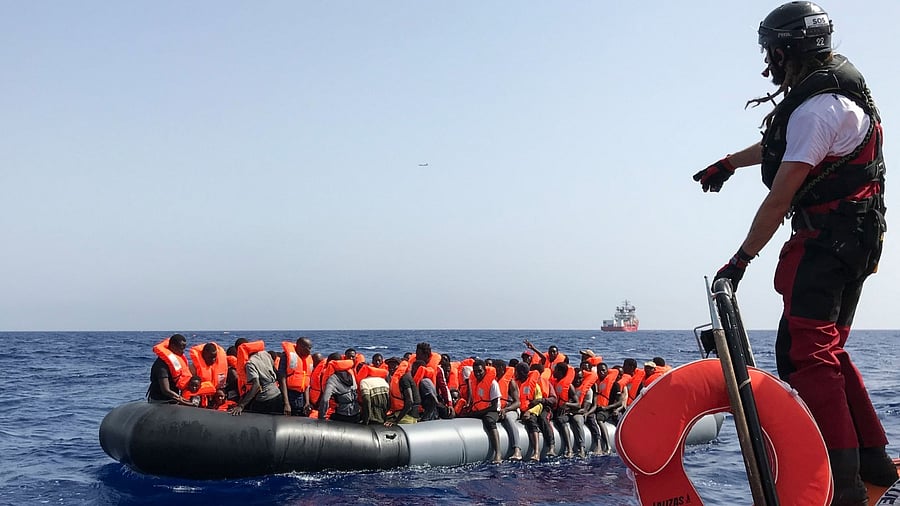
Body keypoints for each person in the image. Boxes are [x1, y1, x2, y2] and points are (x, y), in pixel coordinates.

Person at [693, 2, 892, 503]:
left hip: (827, 244)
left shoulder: (815, 110)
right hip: (856, 239)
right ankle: (874, 463)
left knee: (806, 357)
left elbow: (780, 196)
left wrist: (740, 260)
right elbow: (784, 145)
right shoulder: (834, 99)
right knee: (826, 350)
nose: (769, 62)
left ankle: (844, 486)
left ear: (786, 51)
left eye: (771, 52)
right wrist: (728, 163)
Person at [464, 359, 504, 464]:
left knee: (489, 420)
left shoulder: (493, 384)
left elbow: (494, 406)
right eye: (475, 371)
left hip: (493, 411)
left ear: (485, 371)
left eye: (480, 371)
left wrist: (476, 414)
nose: (477, 374)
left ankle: (498, 453)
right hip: (479, 410)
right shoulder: (474, 382)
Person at [231, 340, 283, 416]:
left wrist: (241, 406)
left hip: (265, 398)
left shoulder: (250, 364)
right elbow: (277, 373)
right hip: (277, 394)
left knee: (250, 412)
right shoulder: (265, 354)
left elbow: (256, 386)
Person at [148, 333, 193, 405]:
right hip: (160, 401)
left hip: (173, 399)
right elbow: (165, 390)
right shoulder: (161, 366)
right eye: (181, 348)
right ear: (173, 346)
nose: (183, 351)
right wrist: (181, 400)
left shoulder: (177, 361)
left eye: (184, 348)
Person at [318, 353, 361, 423]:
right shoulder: (351, 373)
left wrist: (321, 418)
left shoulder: (332, 379)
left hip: (343, 415)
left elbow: (325, 399)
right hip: (356, 413)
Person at [279, 337, 314, 416]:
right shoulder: (286, 357)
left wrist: (307, 402)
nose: (310, 351)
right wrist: (286, 403)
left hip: (301, 397)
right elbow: (282, 380)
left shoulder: (307, 359)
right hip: (289, 394)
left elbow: (306, 381)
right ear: (301, 347)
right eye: (309, 348)